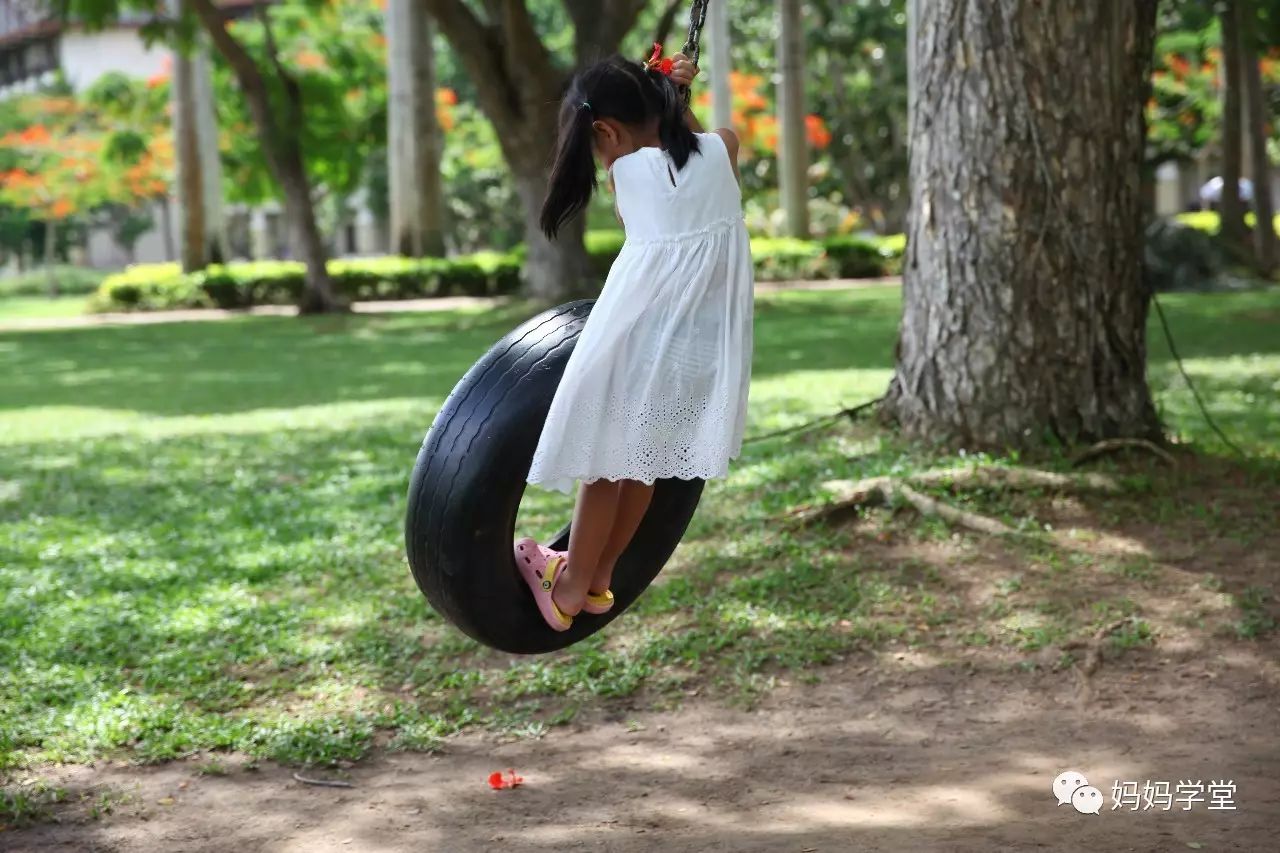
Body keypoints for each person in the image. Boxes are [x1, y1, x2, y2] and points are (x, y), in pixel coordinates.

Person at [514, 50, 753, 631]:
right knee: (641, 467)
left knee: (602, 466)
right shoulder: (724, 148)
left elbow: (644, 192)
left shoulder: (627, 178)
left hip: (638, 335)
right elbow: (697, 143)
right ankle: (599, 579)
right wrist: (679, 102)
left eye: (596, 148)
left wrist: (670, 100)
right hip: (698, 349)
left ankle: (568, 589)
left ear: (606, 131)